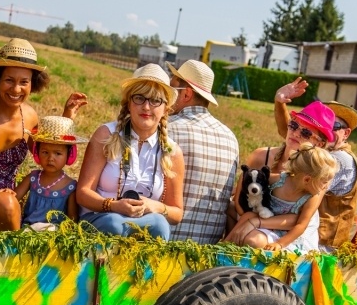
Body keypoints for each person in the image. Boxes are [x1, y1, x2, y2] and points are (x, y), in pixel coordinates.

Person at [0, 38, 87, 231]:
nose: (16, 89)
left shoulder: (29, 116)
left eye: (24, 82)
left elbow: (47, 152)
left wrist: (67, 116)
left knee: (7, 200)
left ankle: (10, 256)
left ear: (33, 84)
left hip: (4, 202)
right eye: (9, 80)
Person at [76, 64, 185, 239]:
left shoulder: (172, 152)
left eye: (155, 100)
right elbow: (82, 193)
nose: (146, 107)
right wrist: (113, 205)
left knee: (160, 224)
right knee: (114, 224)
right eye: (139, 98)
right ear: (129, 103)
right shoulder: (106, 134)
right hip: (101, 218)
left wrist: (155, 207)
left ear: (166, 108)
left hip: (144, 223)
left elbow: (177, 213)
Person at [224, 100, 335, 244]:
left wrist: (254, 222)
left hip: (287, 232)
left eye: (306, 132)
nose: (295, 133)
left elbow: (299, 220)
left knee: (254, 239)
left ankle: (241, 258)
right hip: (257, 215)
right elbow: (240, 194)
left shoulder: (319, 172)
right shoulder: (261, 156)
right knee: (225, 206)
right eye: (294, 125)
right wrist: (247, 218)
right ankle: (227, 249)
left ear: (319, 144)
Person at [273, 78, 357, 249]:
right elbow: (294, 133)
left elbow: (293, 179)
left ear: (346, 133)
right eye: (324, 125)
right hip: (298, 228)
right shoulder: (318, 151)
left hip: (323, 245)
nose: (327, 129)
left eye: (335, 126)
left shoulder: (339, 160)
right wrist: (280, 102)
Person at [165, 60, 239, 244]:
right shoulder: (230, 138)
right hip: (207, 251)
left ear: (187, 93)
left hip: (165, 242)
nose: (166, 94)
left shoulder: (168, 129)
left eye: (172, 87)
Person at [240, 143, 337, 253]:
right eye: (324, 182)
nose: (327, 187)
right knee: (250, 237)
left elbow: (301, 225)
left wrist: (280, 243)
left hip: (293, 239)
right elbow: (246, 177)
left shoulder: (312, 197)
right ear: (307, 180)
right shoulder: (278, 181)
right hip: (270, 227)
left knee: (254, 241)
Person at [14, 116, 87, 231]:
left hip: (53, 233)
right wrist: (9, 194)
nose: (50, 158)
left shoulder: (71, 186)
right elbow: (14, 198)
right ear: (37, 152)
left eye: (58, 153)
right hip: (27, 231)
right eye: (45, 152)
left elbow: (72, 219)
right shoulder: (33, 178)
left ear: (69, 155)